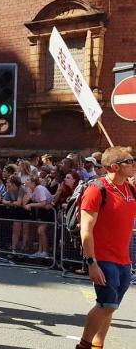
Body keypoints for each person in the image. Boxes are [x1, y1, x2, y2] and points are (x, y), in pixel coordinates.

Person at [76, 146, 136, 349]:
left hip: (124, 260)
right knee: (106, 304)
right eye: (129, 161)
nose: (133, 164)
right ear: (114, 167)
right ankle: (84, 346)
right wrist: (92, 263)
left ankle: (98, 345)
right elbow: (86, 230)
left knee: (110, 308)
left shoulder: (131, 189)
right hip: (103, 258)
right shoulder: (96, 190)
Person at [23, 176, 54, 258]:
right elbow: (24, 203)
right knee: (39, 232)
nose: (26, 181)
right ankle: (40, 251)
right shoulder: (31, 190)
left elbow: (43, 202)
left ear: (33, 183)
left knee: (41, 231)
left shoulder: (39, 188)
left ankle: (45, 251)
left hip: (48, 212)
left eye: (28, 179)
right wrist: (28, 194)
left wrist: (30, 204)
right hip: (40, 211)